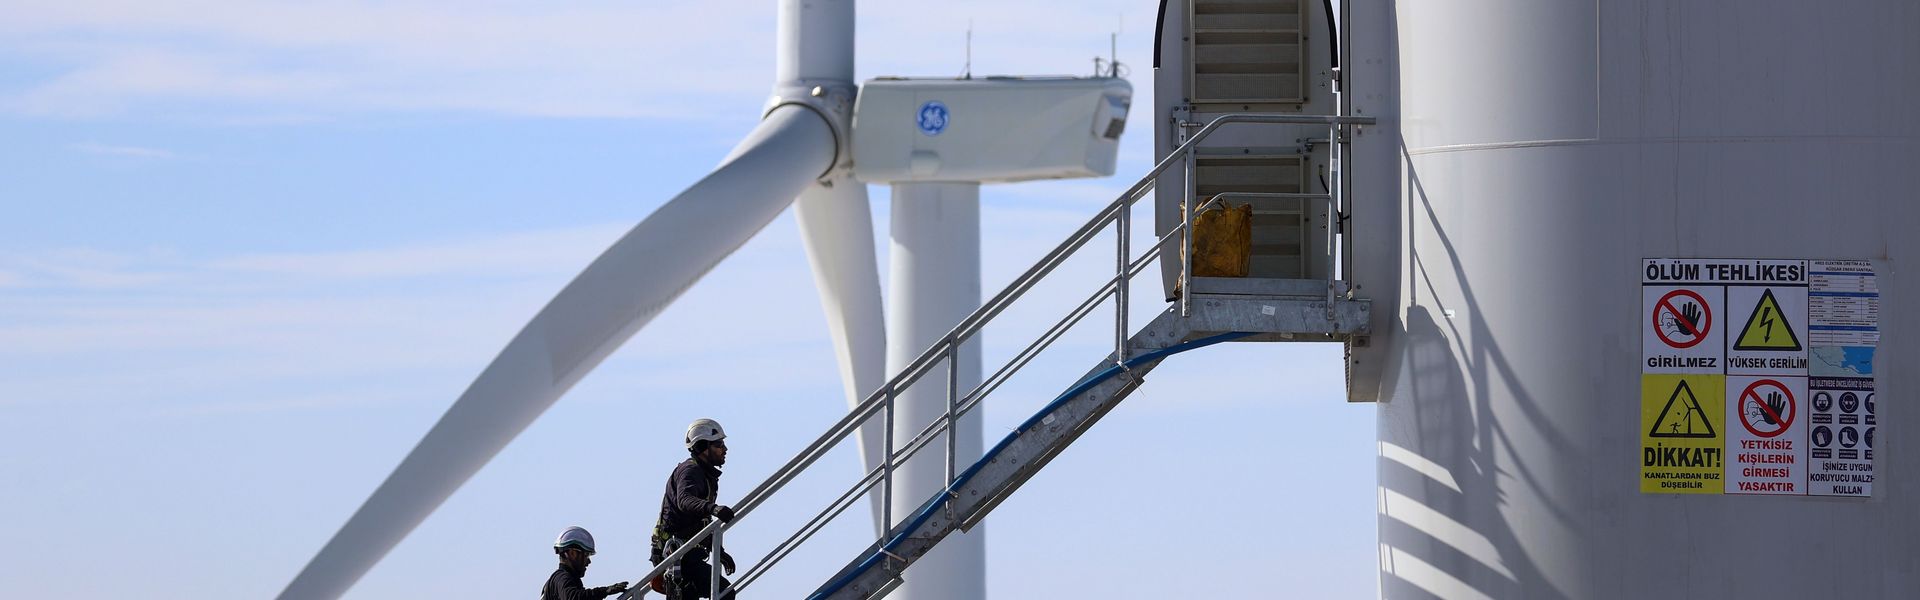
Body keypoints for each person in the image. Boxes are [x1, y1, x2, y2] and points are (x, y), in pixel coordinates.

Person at [650, 418, 738, 599]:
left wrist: (719, 551)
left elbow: (699, 522)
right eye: (719, 444)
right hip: (676, 554)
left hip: (686, 553)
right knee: (723, 593)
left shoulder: (705, 475)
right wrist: (714, 509)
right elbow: (685, 500)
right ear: (702, 448)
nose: (725, 449)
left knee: (721, 592)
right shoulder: (690, 471)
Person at [543, 526, 631, 600]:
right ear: (572, 553)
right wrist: (604, 591)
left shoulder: (564, 579)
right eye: (586, 555)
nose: (588, 561)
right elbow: (572, 598)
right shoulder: (562, 578)